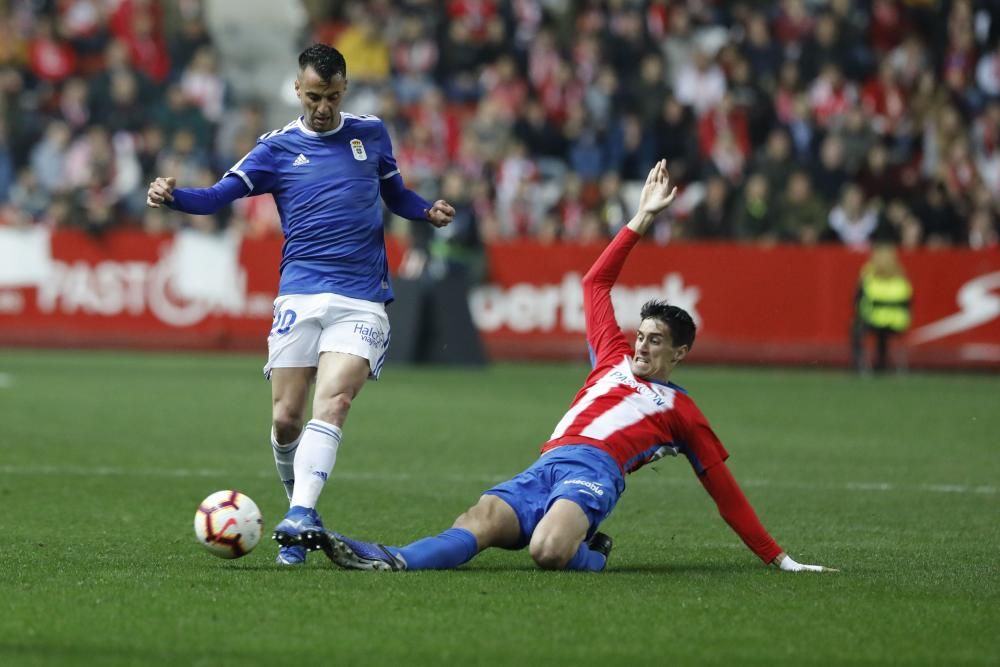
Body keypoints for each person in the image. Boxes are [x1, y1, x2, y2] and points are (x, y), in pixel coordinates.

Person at [314, 161, 836, 574]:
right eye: (642, 334)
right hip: (546, 463)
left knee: (547, 551)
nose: (642, 345)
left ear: (679, 354)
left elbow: (724, 491)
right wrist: (641, 220)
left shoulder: (680, 410)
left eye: (656, 341)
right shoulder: (611, 355)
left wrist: (778, 557)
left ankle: (594, 552)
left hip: (594, 473)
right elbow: (595, 284)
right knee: (478, 520)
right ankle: (391, 558)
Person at [146, 44, 456, 565]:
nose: (324, 107)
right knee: (287, 419)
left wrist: (426, 210)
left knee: (333, 401)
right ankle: (297, 517)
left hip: (361, 299)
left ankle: (302, 515)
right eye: (314, 96)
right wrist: (174, 197)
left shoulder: (371, 134)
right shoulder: (275, 149)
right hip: (301, 293)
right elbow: (218, 197)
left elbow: (395, 194)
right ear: (297, 89)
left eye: (333, 96)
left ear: (345, 90)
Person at [851, 243, 913, 374]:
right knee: (883, 334)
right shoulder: (901, 280)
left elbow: (859, 302)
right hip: (897, 324)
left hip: (874, 321)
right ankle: (882, 362)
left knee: (856, 328)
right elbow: (909, 304)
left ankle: (861, 365)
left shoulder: (869, 279)